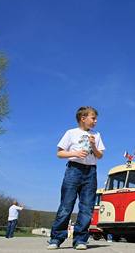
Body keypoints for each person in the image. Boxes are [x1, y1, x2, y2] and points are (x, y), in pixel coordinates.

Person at [48, 106, 105, 250]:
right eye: (93, 118)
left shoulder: (96, 135)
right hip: (73, 170)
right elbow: (59, 153)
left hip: (91, 172)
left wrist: (93, 145)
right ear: (83, 118)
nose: (95, 121)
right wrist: (75, 153)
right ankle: (56, 238)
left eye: (96, 118)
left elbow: (100, 155)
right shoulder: (71, 133)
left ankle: (80, 240)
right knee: (66, 206)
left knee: (87, 207)